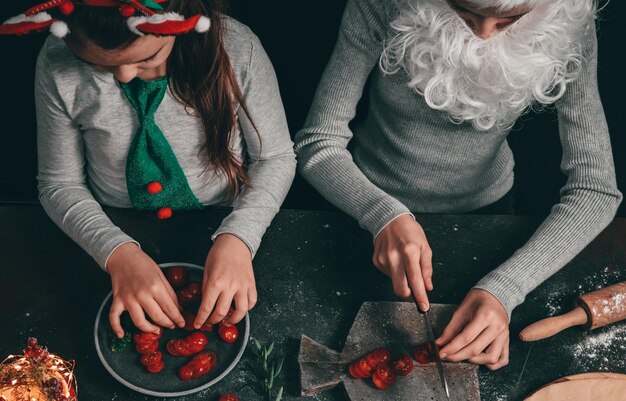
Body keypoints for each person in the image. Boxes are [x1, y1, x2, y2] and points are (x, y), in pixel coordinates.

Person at [294, 0, 622, 370]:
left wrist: (505, 289)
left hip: (488, 218)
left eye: (509, 21)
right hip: (361, 203)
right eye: (463, 11)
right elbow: (318, 143)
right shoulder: (380, 5)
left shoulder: (568, 20)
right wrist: (381, 214)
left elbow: (596, 191)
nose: (481, 34)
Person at [1, 0, 295, 338]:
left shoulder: (238, 49)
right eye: (96, 64)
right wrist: (116, 253)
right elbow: (59, 185)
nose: (124, 75)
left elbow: (274, 158)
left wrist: (240, 237)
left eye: (146, 59)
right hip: (109, 224)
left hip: (225, 219)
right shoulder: (55, 60)